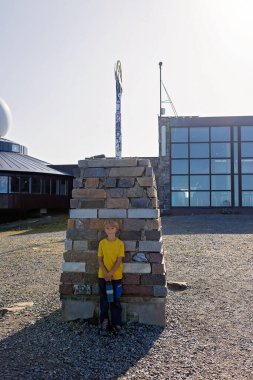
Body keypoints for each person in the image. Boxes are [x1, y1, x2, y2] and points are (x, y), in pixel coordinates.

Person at [98, 219, 125, 336]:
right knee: (104, 299)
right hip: (102, 277)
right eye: (107, 228)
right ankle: (104, 322)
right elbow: (99, 259)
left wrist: (111, 273)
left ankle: (117, 324)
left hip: (116, 277)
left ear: (116, 229)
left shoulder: (120, 244)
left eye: (112, 228)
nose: (110, 231)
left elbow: (119, 260)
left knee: (115, 300)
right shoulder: (102, 243)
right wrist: (105, 273)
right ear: (105, 230)